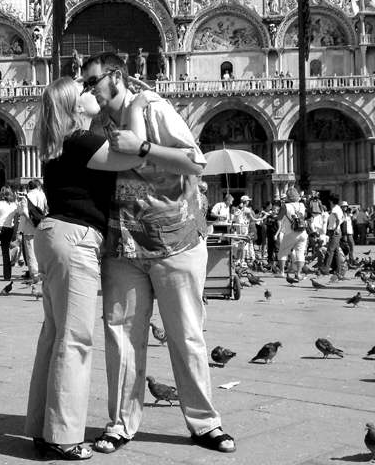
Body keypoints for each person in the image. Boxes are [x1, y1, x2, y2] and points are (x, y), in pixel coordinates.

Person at [81, 53, 235, 454]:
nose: (89, 90)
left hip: (175, 241)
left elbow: (195, 162)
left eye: (93, 81)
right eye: (84, 84)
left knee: (186, 335)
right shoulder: (97, 123)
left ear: (116, 76)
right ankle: (120, 423)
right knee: (121, 337)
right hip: (123, 244)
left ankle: (205, 423)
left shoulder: (153, 108)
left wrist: (144, 147)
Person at [24, 76, 145, 460]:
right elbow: (134, 155)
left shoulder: (61, 143)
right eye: (87, 92)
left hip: (54, 235)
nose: (94, 95)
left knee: (55, 334)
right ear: (76, 106)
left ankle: (43, 429)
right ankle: (63, 436)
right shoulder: (81, 141)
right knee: (74, 340)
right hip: (74, 239)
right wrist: (137, 109)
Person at [17, 179, 48, 280]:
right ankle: (43, 272)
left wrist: (32, 223)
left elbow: (25, 213)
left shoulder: (26, 197)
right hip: (42, 226)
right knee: (41, 251)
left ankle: (34, 274)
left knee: (31, 252)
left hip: (29, 228)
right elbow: (47, 210)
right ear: (38, 186)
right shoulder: (43, 195)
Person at [276, 187, 308, 278]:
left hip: (290, 232)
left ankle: (282, 272)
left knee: (283, 251)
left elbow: (279, 218)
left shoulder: (285, 206)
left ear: (288, 196)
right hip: (302, 232)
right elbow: (305, 216)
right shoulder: (302, 205)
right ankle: (298, 273)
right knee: (300, 252)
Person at [323, 195, 347, 281]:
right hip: (336, 231)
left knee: (330, 250)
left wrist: (336, 228)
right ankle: (338, 270)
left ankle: (325, 269)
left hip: (334, 231)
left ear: (331, 201)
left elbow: (338, 220)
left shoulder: (334, 209)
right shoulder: (338, 208)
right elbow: (343, 218)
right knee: (336, 252)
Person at [340, 201, 356, 268]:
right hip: (345, 234)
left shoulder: (349, 214)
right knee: (346, 248)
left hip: (350, 233)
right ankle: (345, 262)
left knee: (351, 247)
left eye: (346, 206)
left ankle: (351, 261)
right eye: (343, 207)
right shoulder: (341, 214)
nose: (345, 208)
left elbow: (354, 218)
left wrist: (351, 212)